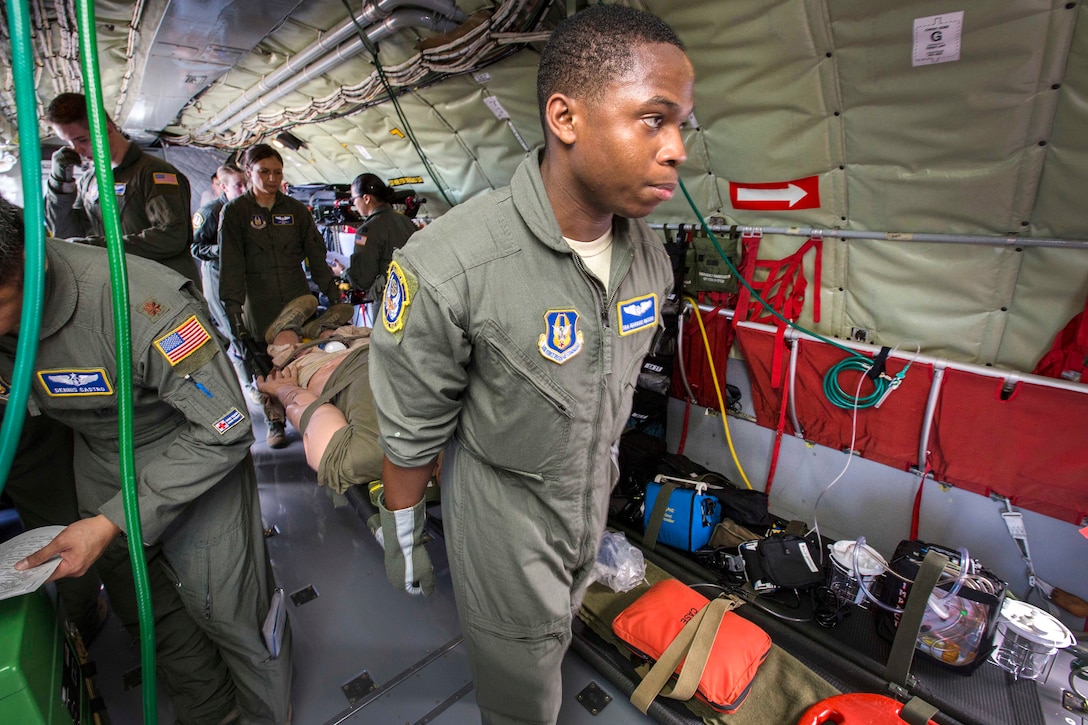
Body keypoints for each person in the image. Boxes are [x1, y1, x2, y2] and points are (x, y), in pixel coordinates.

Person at [368, 5, 693, 723]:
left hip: (587, 498)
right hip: (503, 523)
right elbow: (411, 430)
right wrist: (404, 533)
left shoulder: (647, 261)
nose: (676, 149)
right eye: (653, 119)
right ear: (565, 117)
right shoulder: (452, 265)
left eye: (683, 126)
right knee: (523, 697)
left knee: (554, 640)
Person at [0, 197, 293, 724]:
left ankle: (265, 714)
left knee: (230, 612)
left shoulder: (141, 304)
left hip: (195, 460)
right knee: (150, 614)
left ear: (33, 267)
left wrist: (112, 521)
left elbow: (225, 425)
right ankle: (209, 711)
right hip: (99, 462)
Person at [218, 143, 347, 448]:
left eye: (277, 172)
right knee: (264, 362)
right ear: (249, 172)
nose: (272, 178)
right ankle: (275, 420)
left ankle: (310, 414)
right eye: (265, 172)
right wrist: (233, 313)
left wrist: (333, 295)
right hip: (257, 302)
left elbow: (316, 258)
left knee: (302, 357)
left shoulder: (295, 211)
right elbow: (231, 266)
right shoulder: (235, 212)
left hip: (296, 298)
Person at [43, 92, 200, 287]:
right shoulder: (89, 181)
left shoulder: (154, 173)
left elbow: (171, 236)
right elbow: (66, 233)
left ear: (106, 128)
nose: (76, 150)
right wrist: (60, 185)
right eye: (69, 142)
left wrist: (99, 247)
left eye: (82, 140)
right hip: (124, 290)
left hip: (165, 291)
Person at [331, 173, 417, 301]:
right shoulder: (406, 221)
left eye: (354, 199)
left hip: (390, 300)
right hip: (415, 293)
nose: (354, 204)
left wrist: (342, 272)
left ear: (366, 198)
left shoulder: (367, 231)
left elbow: (362, 280)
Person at [192, 164, 247, 354]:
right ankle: (248, 383)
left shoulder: (245, 209)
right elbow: (196, 248)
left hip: (241, 274)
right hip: (217, 274)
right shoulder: (209, 212)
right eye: (238, 185)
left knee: (249, 330)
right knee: (235, 332)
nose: (244, 190)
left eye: (246, 184)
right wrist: (223, 249)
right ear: (224, 187)